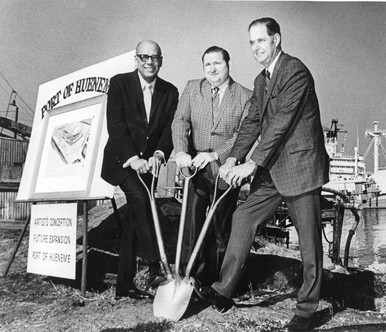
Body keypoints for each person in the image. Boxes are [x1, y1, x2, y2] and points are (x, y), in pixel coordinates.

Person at [196, 18, 329, 331]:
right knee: (243, 217)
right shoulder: (260, 80)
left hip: (299, 168)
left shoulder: (295, 71)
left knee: (309, 242)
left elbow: (281, 123)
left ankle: (307, 311)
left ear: (276, 39)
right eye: (251, 42)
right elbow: (252, 124)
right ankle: (223, 291)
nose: (256, 47)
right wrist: (231, 160)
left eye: (261, 41)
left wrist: (251, 164)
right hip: (272, 168)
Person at [101, 40, 179, 300]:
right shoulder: (120, 83)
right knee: (141, 198)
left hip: (150, 168)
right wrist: (132, 158)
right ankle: (155, 267)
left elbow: (168, 129)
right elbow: (116, 125)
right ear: (136, 60)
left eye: (154, 57)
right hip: (120, 162)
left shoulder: (170, 91)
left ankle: (125, 284)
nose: (149, 62)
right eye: (144, 57)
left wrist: (159, 153)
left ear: (161, 60)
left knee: (135, 221)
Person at [172, 46, 252, 285]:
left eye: (218, 63)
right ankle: (185, 279)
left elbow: (243, 134)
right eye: (208, 64)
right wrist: (181, 152)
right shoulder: (191, 88)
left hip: (226, 172)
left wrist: (216, 154)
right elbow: (180, 120)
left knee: (219, 228)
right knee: (191, 225)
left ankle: (212, 282)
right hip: (195, 170)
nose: (213, 69)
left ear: (228, 64)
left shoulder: (246, 96)